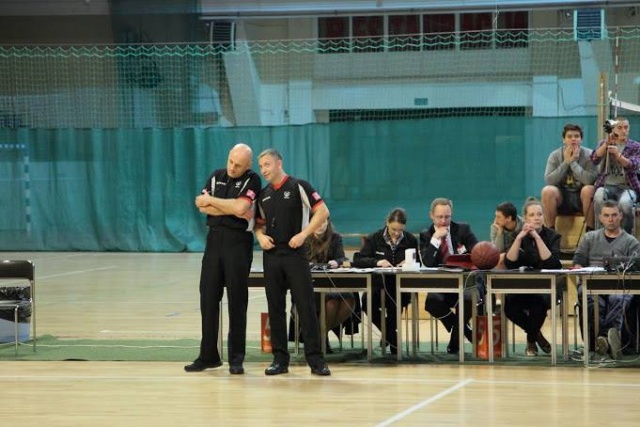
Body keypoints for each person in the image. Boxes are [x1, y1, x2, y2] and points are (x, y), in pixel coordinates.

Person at [185, 143, 261, 375]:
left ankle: (236, 358)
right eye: (231, 161)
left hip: (238, 243)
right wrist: (231, 208)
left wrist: (216, 202)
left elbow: (241, 207)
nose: (232, 167)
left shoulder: (252, 180)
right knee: (208, 298)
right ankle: (208, 356)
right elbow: (201, 206)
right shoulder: (216, 176)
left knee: (237, 301)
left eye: (238, 165)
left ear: (247, 165)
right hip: (213, 242)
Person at [254, 148, 331, 376]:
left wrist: (304, 234)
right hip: (272, 256)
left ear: (279, 163)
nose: (263, 170)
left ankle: (316, 360)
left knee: (305, 307)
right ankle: (280, 360)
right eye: (261, 166)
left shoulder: (299, 186)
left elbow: (322, 212)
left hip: (296, 255)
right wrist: (260, 237)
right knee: (275, 308)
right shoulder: (263, 194)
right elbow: (258, 224)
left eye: (267, 164)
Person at [573, 200, 640, 360]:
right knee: (592, 300)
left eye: (614, 215)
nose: (611, 219)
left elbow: (636, 268)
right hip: (591, 285)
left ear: (621, 216)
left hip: (620, 286)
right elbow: (578, 262)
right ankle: (603, 342)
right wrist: (580, 274)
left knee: (618, 298)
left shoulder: (631, 242)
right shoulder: (589, 238)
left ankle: (603, 338)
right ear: (600, 217)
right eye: (607, 215)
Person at [352, 208, 418, 356]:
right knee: (367, 303)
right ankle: (391, 336)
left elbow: (417, 261)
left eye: (400, 230)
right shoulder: (374, 238)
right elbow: (358, 260)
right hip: (378, 285)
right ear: (387, 223)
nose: (397, 233)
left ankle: (389, 337)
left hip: (399, 287)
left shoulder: (411, 240)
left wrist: (408, 263)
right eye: (394, 229)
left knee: (396, 303)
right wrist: (377, 262)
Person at [288, 218, 358, 353]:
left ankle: (319, 336)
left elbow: (342, 258)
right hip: (309, 287)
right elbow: (294, 259)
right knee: (331, 304)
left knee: (348, 300)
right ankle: (321, 339)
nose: (320, 226)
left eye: (323, 222)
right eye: (317, 223)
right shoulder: (303, 237)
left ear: (328, 223)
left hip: (331, 286)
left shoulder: (335, 237)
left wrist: (337, 262)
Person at [503, 198, 562, 356]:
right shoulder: (518, 235)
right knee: (509, 307)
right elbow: (509, 262)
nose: (536, 218)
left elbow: (552, 264)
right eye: (532, 215)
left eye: (539, 214)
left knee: (539, 305)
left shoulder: (553, 236)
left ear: (544, 216)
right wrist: (519, 238)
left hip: (547, 289)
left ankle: (531, 341)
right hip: (523, 287)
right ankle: (536, 335)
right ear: (525, 218)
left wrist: (537, 237)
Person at [420, 198, 478, 354]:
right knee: (431, 302)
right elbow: (428, 263)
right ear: (431, 215)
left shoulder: (463, 229)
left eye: (447, 217)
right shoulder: (426, 235)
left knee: (468, 299)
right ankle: (465, 330)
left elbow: (477, 252)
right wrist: (435, 239)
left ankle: (455, 341)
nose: (443, 221)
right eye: (439, 217)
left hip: (464, 282)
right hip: (440, 285)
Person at [541, 123, 597, 231]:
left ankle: (590, 231)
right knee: (547, 191)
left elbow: (590, 180)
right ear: (564, 140)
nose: (573, 139)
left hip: (582, 197)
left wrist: (572, 163)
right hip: (562, 198)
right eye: (569, 136)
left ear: (581, 139)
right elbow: (549, 180)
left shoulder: (589, 155)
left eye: (576, 136)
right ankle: (550, 232)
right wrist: (566, 162)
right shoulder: (555, 155)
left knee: (589, 189)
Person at [591, 117, 640, 233]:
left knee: (625, 204)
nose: (624, 131)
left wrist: (618, 155)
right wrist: (606, 144)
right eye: (620, 127)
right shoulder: (604, 143)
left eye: (626, 127)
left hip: (627, 186)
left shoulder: (635, 146)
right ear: (613, 129)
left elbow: (634, 165)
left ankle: (626, 235)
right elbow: (594, 159)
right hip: (606, 184)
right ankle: (601, 233)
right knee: (598, 197)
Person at [490, 201, 524, 270]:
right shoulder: (495, 227)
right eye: (495, 216)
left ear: (509, 218)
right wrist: (500, 232)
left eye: (498, 217)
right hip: (505, 261)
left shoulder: (524, 225)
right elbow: (497, 252)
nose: (495, 220)